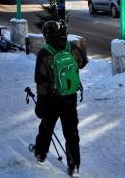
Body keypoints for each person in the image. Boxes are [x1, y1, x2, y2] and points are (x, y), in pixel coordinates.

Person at [31, 21, 88, 177]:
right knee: (71, 131)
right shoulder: (71, 47)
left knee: (46, 127)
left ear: (47, 34)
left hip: (51, 98)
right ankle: (74, 165)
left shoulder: (45, 52)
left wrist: (41, 104)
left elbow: (40, 80)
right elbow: (83, 62)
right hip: (69, 96)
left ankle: (41, 154)